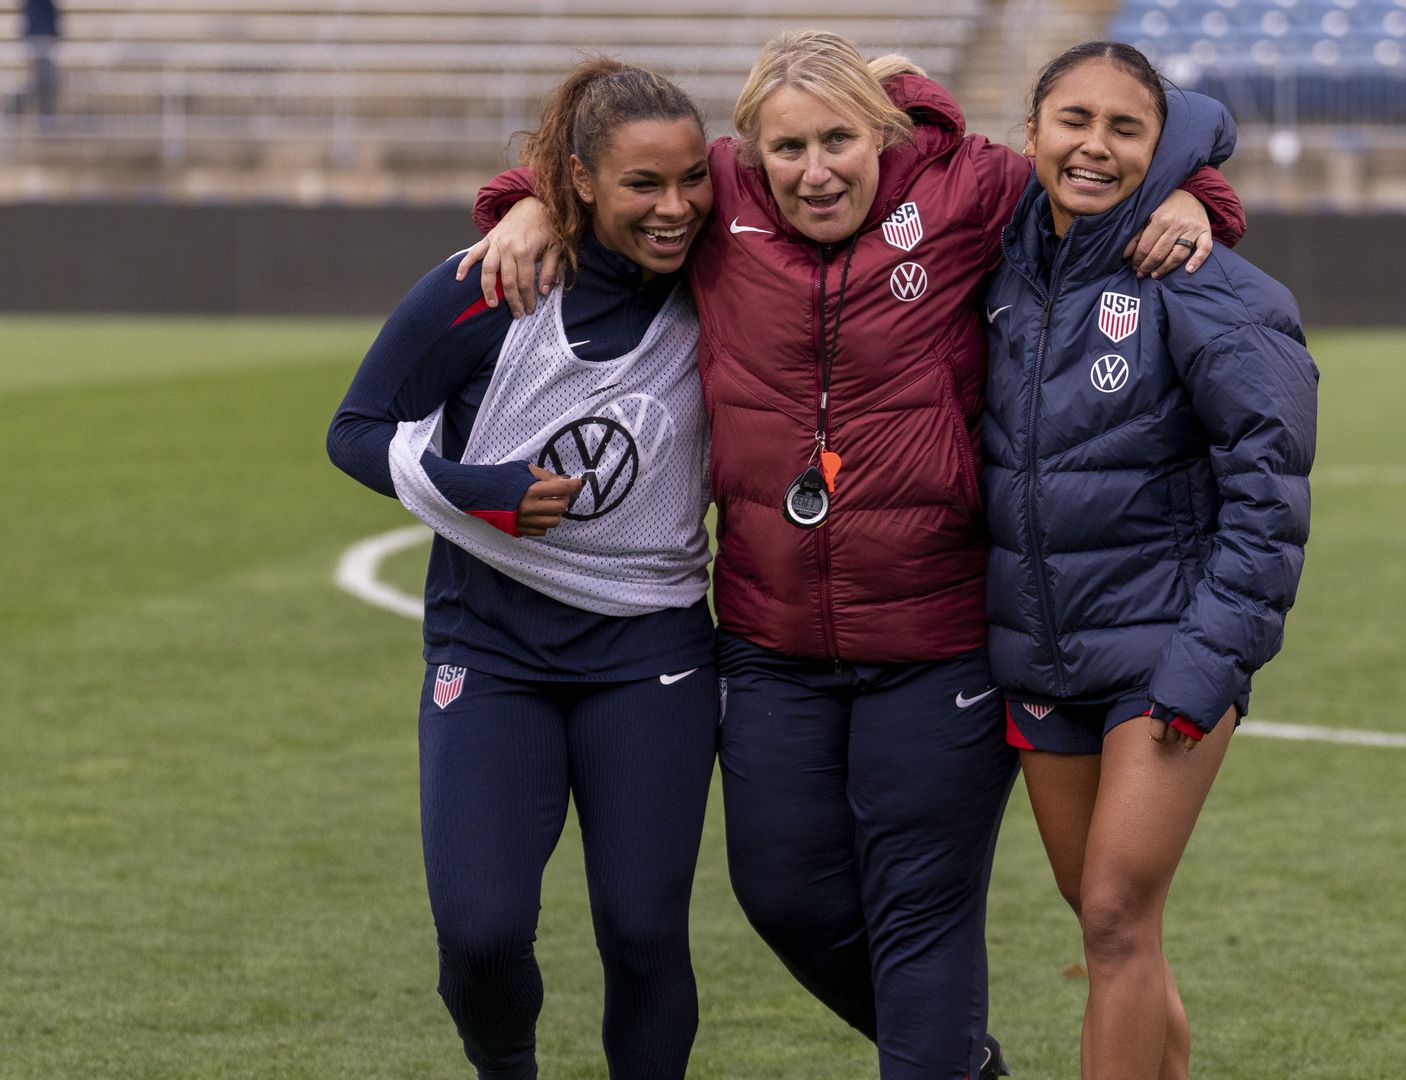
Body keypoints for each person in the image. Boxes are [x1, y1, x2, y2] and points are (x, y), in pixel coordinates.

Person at [463, 32, 1246, 1079]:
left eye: (840, 139)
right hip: (770, 640)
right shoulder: (721, 196)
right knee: (783, 892)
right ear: (751, 149)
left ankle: (939, 1059)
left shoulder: (974, 189)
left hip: (937, 640)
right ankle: (966, 1063)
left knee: (921, 915)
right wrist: (522, 201)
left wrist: (1198, 194)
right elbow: (608, 174)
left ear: (881, 134)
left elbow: (1101, 174)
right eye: (789, 146)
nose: (815, 168)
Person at [326, 60, 720, 1080]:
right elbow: (356, 431)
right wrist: (477, 487)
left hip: (653, 652)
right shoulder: (492, 285)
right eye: (643, 184)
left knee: (642, 932)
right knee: (482, 935)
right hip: (491, 645)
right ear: (581, 180)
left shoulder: (728, 272)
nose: (674, 207)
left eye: (692, 180)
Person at [980, 43, 1318, 1080]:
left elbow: (1269, 502)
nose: (1094, 145)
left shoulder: (1206, 283)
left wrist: (1205, 664)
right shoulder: (996, 260)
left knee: (1118, 919)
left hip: (1165, 659)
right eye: (1071, 120)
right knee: (1108, 926)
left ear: (1158, 145)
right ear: (1029, 132)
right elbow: (891, 114)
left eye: (1126, 129)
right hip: (1043, 656)